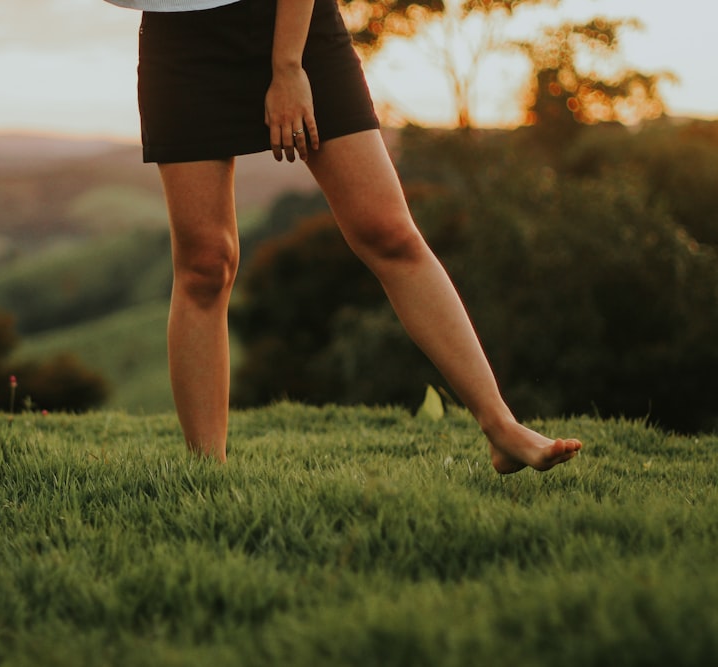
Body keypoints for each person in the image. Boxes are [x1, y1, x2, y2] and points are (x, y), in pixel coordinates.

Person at [103, 0, 582, 473]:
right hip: (181, 39)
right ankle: (207, 472)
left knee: (388, 231)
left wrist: (288, 65)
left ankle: (502, 428)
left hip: (294, 24)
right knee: (205, 264)